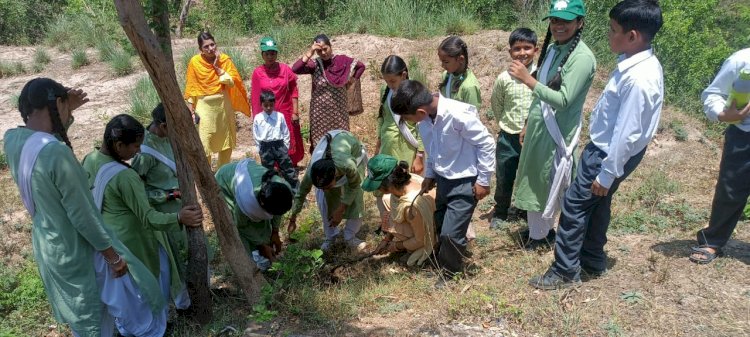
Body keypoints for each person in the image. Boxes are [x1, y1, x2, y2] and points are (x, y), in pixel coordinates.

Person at [4, 78, 166, 336]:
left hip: (50, 245)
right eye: (65, 107)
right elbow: (82, 216)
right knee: (104, 315)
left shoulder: (13, 141)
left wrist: (65, 109)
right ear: (57, 103)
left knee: (82, 318)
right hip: (76, 247)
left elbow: (43, 141)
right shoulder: (57, 154)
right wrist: (113, 257)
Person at [529, 0, 664, 289]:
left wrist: (607, 172)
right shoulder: (639, 65)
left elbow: (627, 132)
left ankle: (565, 271)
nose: (608, 33)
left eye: (613, 29)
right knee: (598, 204)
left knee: (575, 205)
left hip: (607, 154)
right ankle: (592, 258)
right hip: (612, 153)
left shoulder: (639, 78)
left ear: (632, 36)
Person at [81, 114, 204, 330]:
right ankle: (152, 330)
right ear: (119, 145)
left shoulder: (90, 160)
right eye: (135, 146)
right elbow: (148, 217)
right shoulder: (125, 177)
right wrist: (178, 217)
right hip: (136, 245)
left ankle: (131, 329)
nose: (138, 151)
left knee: (127, 298)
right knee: (150, 291)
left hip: (111, 242)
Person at [509, 0, 596, 250]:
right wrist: (528, 122)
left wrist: (528, 80)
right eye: (555, 20)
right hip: (539, 128)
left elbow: (564, 100)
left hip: (555, 133)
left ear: (579, 23)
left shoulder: (581, 58)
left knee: (546, 181)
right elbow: (542, 96)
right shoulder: (555, 48)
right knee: (535, 179)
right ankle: (539, 230)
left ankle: (542, 236)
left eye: (566, 21)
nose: (559, 26)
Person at [391, 80, 495, 279]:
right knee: (440, 223)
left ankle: (450, 273)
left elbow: (487, 143)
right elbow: (432, 150)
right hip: (443, 180)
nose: (411, 123)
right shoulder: (426, 120)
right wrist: (430, 175)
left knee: (451, 233)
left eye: (408, 118)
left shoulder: (457, 115)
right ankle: (445, 259)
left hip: (464, 182)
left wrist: (483, 180)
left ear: (420, 112)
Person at [689, 47, 750, 263]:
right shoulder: (742, 60)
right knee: (731, 189)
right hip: (745, 135)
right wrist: (723, 114)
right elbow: (713, 93)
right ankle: (712, 241)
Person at [131, 103, 191, 309]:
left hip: (183, 205)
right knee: (175, 260)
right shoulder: (144, 153)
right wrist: (169, 194)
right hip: (165, 213)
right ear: (163, 126)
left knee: (194, 252)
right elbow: (138, 191)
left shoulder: (170, 139)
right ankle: (183, 304)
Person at [488, 28, 539, 230]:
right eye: (517, 48)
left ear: (536, 49)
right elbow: (497, 105)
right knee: (504, 176)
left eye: (527, 48)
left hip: (534, 138)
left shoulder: (540, 76)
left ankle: (527, 210)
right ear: (510, 52)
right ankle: (501, 211)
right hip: (508, 138)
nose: (522, 52)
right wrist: (507, 126)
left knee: (530, 177)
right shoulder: (503, 79)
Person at [288, 130, 368, 253]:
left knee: (355, 198)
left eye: (327, 186)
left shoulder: (348, 166)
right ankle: (330, 237)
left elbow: (354, 186)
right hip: (334, 164)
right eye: (322, 187)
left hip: (354, 157)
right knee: (325, 201)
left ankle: (350, 236)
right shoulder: (313, 172)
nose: (325, 189)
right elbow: (301, 193)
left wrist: (340, 211)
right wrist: (293, 218)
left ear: (335, 176)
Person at [184, 31, 251, 169]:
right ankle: (206, 175)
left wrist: (217, 68)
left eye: (212, 45)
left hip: (223, 106)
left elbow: (231, 82)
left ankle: (222, 174)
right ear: (200, 49)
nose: (210, 49)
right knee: (204, 143)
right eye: (206, 47)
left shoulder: (224, 60)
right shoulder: (195, 63)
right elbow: (191, 89)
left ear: (216, 43)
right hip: (204, 108)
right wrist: (190, 112)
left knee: (227, 142)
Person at [374, 55, 425, 232]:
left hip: (407, 148)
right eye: (387, 81)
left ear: (404, 75)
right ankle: (389, 225)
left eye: (393, 81)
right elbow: (382, 118)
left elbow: (421, 126)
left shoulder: (415, 92)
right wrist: (378, 143)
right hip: (388, 147)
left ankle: (409, 227)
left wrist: (420, 155)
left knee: (404, 187)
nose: (390, 85)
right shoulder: (385, 91)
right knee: (384, 186)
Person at [215, 158, 294, 269]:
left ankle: (265, 255)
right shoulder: (245, 200)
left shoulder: (283, 189)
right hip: (224, 182)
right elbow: (241, 225)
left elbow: (277, 211)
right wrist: (261, 245)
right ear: (261, 203)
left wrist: (275, 232)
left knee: (263, 229)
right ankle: (250, 264)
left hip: (249, 182)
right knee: (242, 235)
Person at [292, 34, 366, 153]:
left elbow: (361, 66)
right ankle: (321, 166)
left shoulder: (342, 61)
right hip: (319, 113)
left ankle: (342, 165)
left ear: (331, 46)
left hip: (339, 112)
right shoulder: (315, 65)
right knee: (320, 142)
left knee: (341, 140)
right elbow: (295, 69)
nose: (323, 53)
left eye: (325, 49)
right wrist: (310, 52)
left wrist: (351, 80)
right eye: (319, 51)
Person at [362, 155, 437, 267]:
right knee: (386, 200)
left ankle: (419, 250)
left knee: (417, 242)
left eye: (377, 186)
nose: (377, 189)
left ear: (388, 184)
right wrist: (386, 240)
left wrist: (396, 246)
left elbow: (421, 239)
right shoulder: (409, 179)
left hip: (431, 234)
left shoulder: (411, 207)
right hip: (421, 221)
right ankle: (406, 244)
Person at [250, 37, 304, 167]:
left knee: (287, 138)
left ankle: (289, 166)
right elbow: (255, 97)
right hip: (267, 113)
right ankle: (273, 167)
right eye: (267, 53)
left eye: (273, 53)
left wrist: (295, 112)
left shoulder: (285, 70)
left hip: (285, 111)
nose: (270, 56)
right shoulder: (258, 73)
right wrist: (258, 118)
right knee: (269, 138)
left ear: (277, 54)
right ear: (262, 55)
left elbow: (293, 91)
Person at [253, 90, 298, 188]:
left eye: (271, 105)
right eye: (266, 105)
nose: (269, 108)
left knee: (288, 169)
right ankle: (268, 193)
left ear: (274, 104)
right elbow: (256, 134)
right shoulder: (258, 118)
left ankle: (296, 192)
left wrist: (285, 146)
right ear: (261, 105)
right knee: (267, 171)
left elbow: (285, 131)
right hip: (265, 147)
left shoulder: (280, 116)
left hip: (279, 145)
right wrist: (259, 148)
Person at [437, 36, 482, 110]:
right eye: (441, 61)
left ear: (460, 59)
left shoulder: (469, 87)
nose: (442, 65)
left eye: (446, 62)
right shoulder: (446, 75)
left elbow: (472, 117)